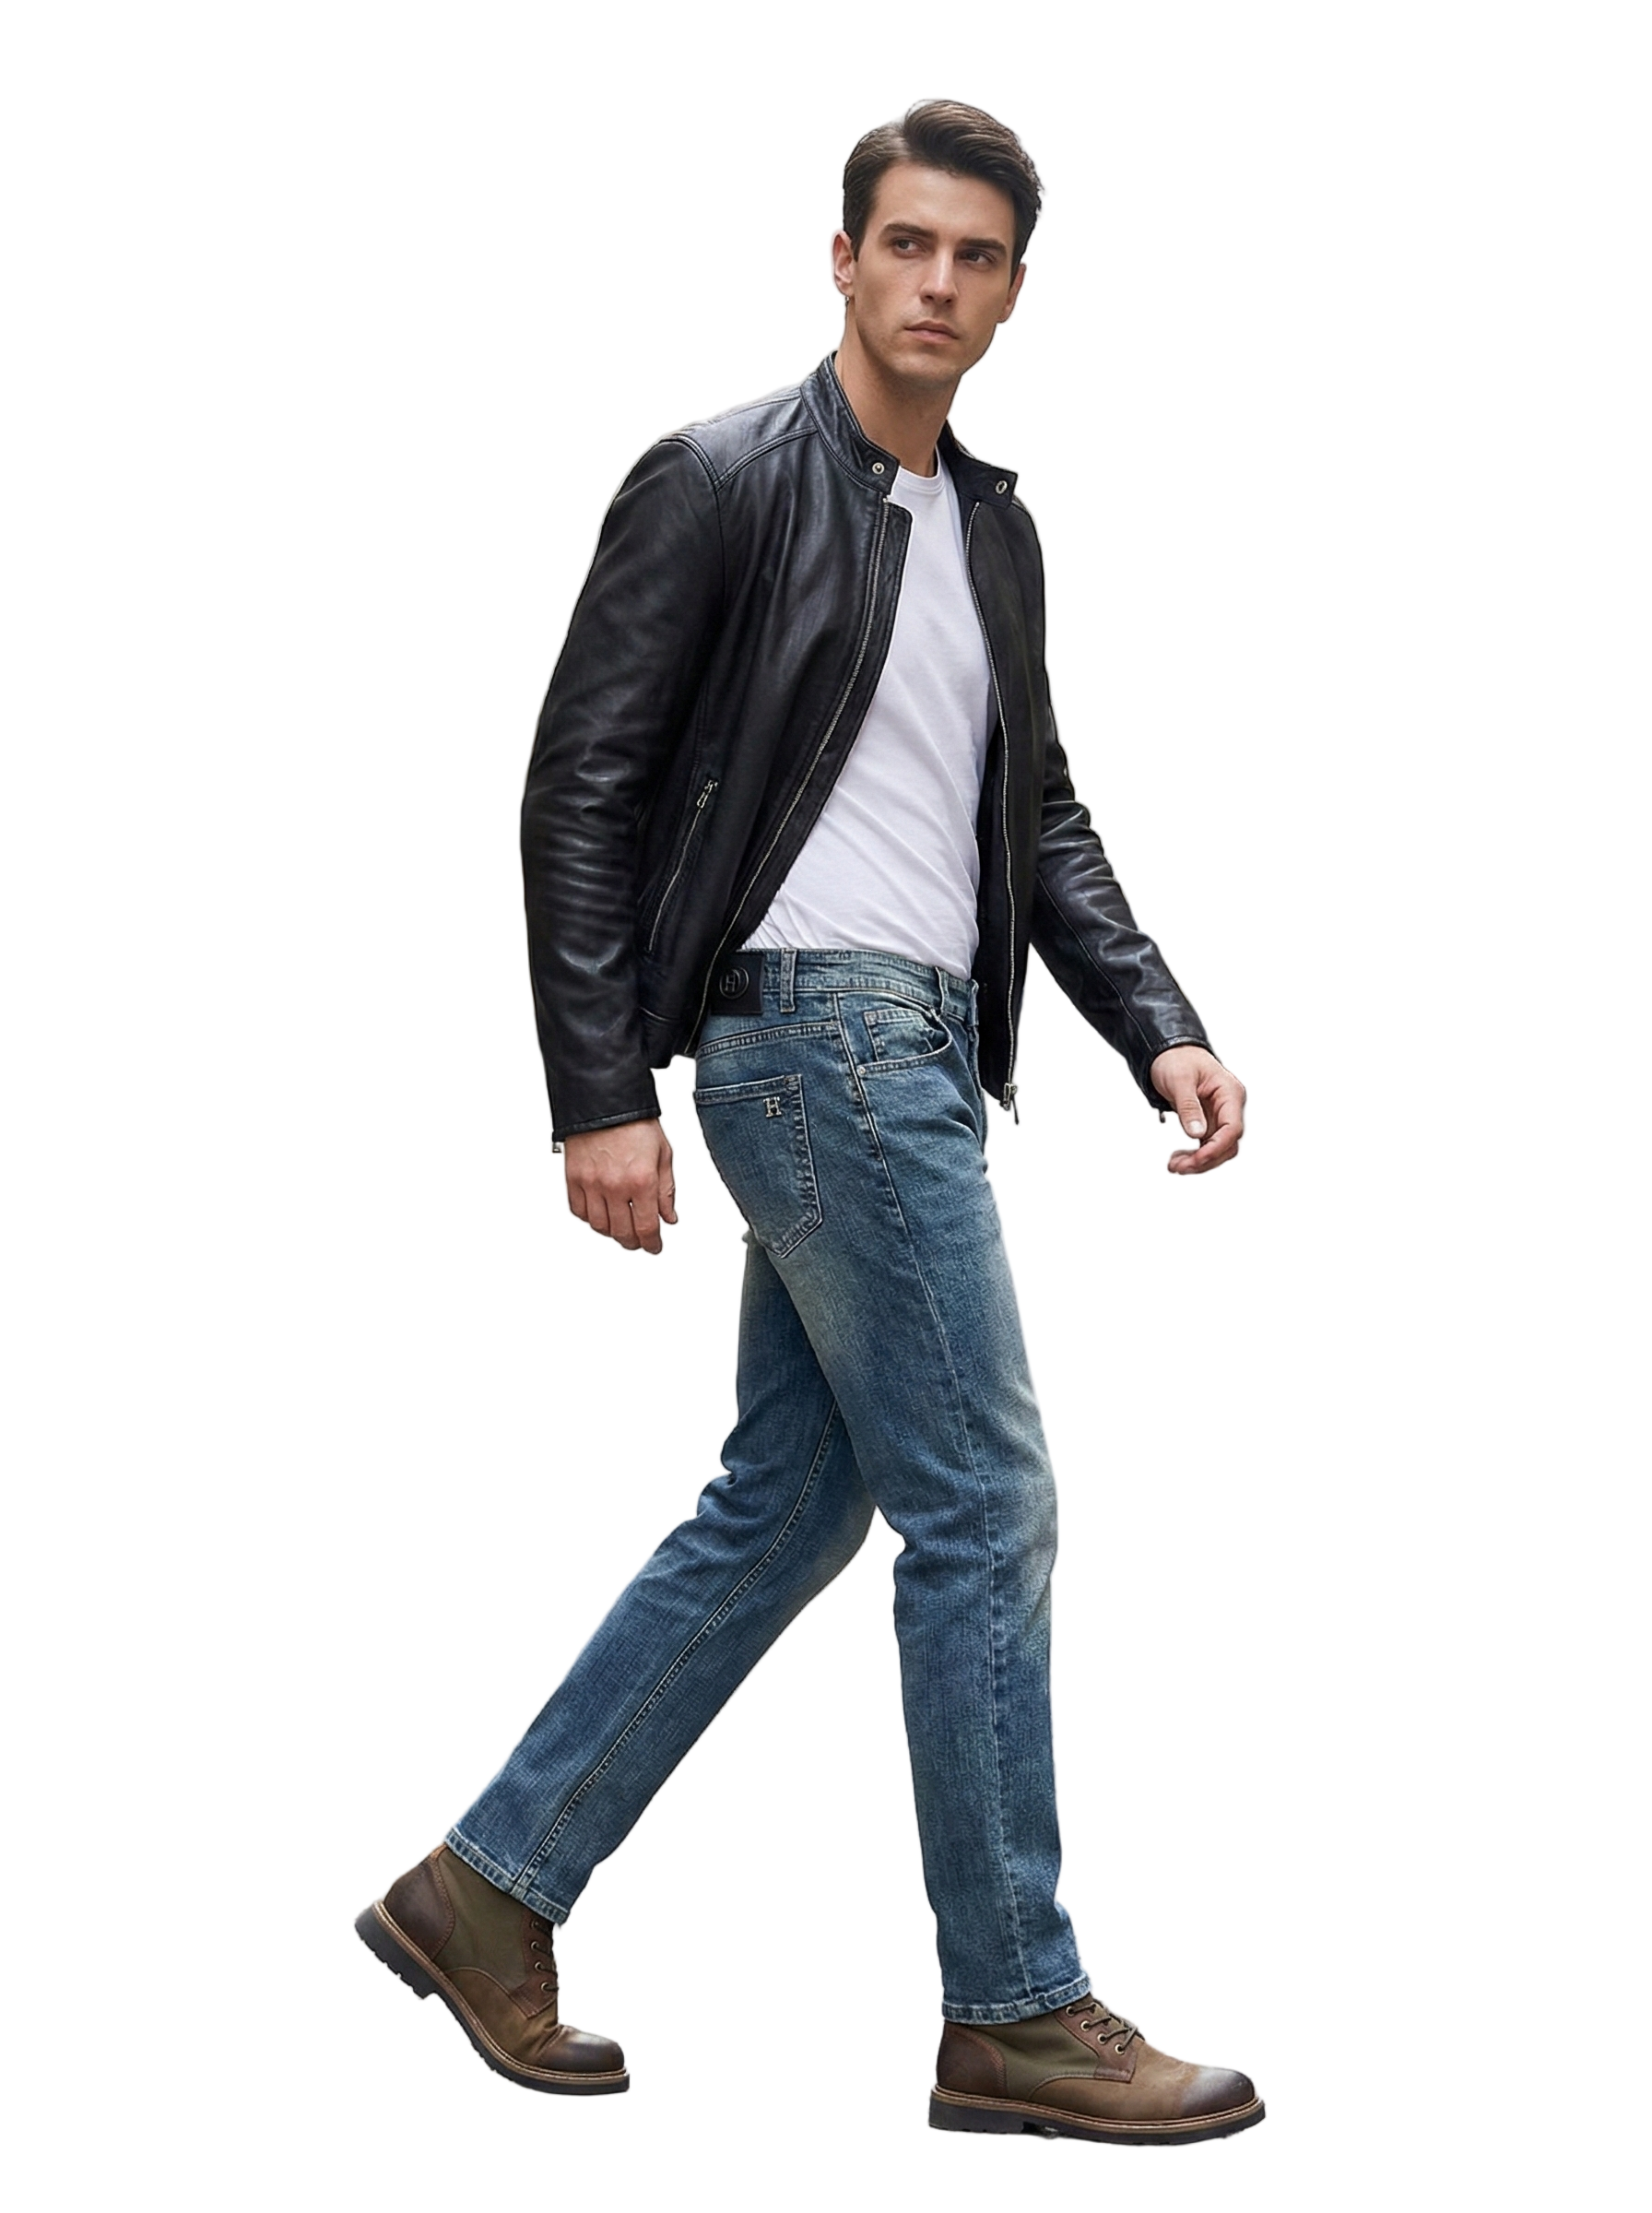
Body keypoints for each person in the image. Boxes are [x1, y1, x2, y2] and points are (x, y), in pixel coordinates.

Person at [356, 98, 1262, 2148]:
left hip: (913, 1046)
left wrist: (1158, 1026)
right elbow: (579, 787)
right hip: (817, 1041)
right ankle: (1015, 2006)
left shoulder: (992, 533)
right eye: (905, 244)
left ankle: (487, 1891)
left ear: (1012, 292)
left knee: (793, 1502)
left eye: (976, 257)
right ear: (841, 257)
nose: (937, 283)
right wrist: (599, 1091)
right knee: (986, 1506)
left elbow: (1033, 812)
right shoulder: (717, 483)